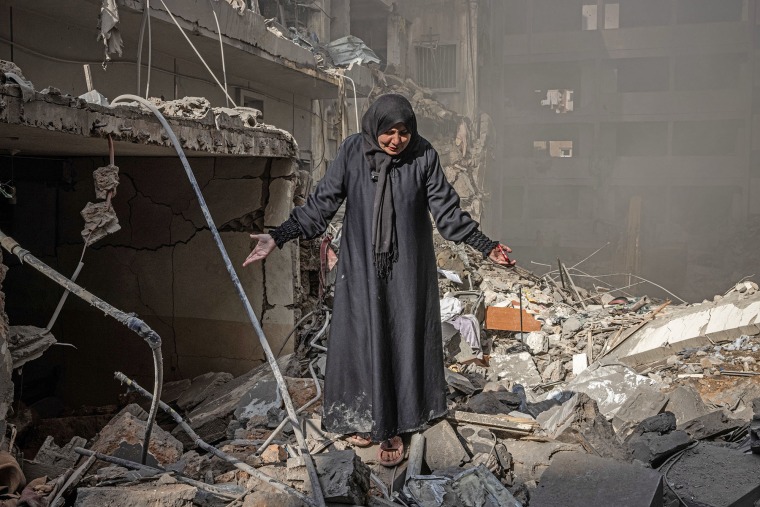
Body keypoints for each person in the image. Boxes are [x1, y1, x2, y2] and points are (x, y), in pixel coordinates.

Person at [243, 94, 514, 466]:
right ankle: (364, 419)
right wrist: (278, 235)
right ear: (375, 128)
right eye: (389, 132)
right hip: (361, 270)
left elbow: (448, 214)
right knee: (361, 340)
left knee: (401, 340)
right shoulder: (354, 151)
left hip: (407, 270)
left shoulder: (424, 157)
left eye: (403, 132)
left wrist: (487, 245)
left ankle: (394, 426)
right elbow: (321, 205)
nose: (396, 140)